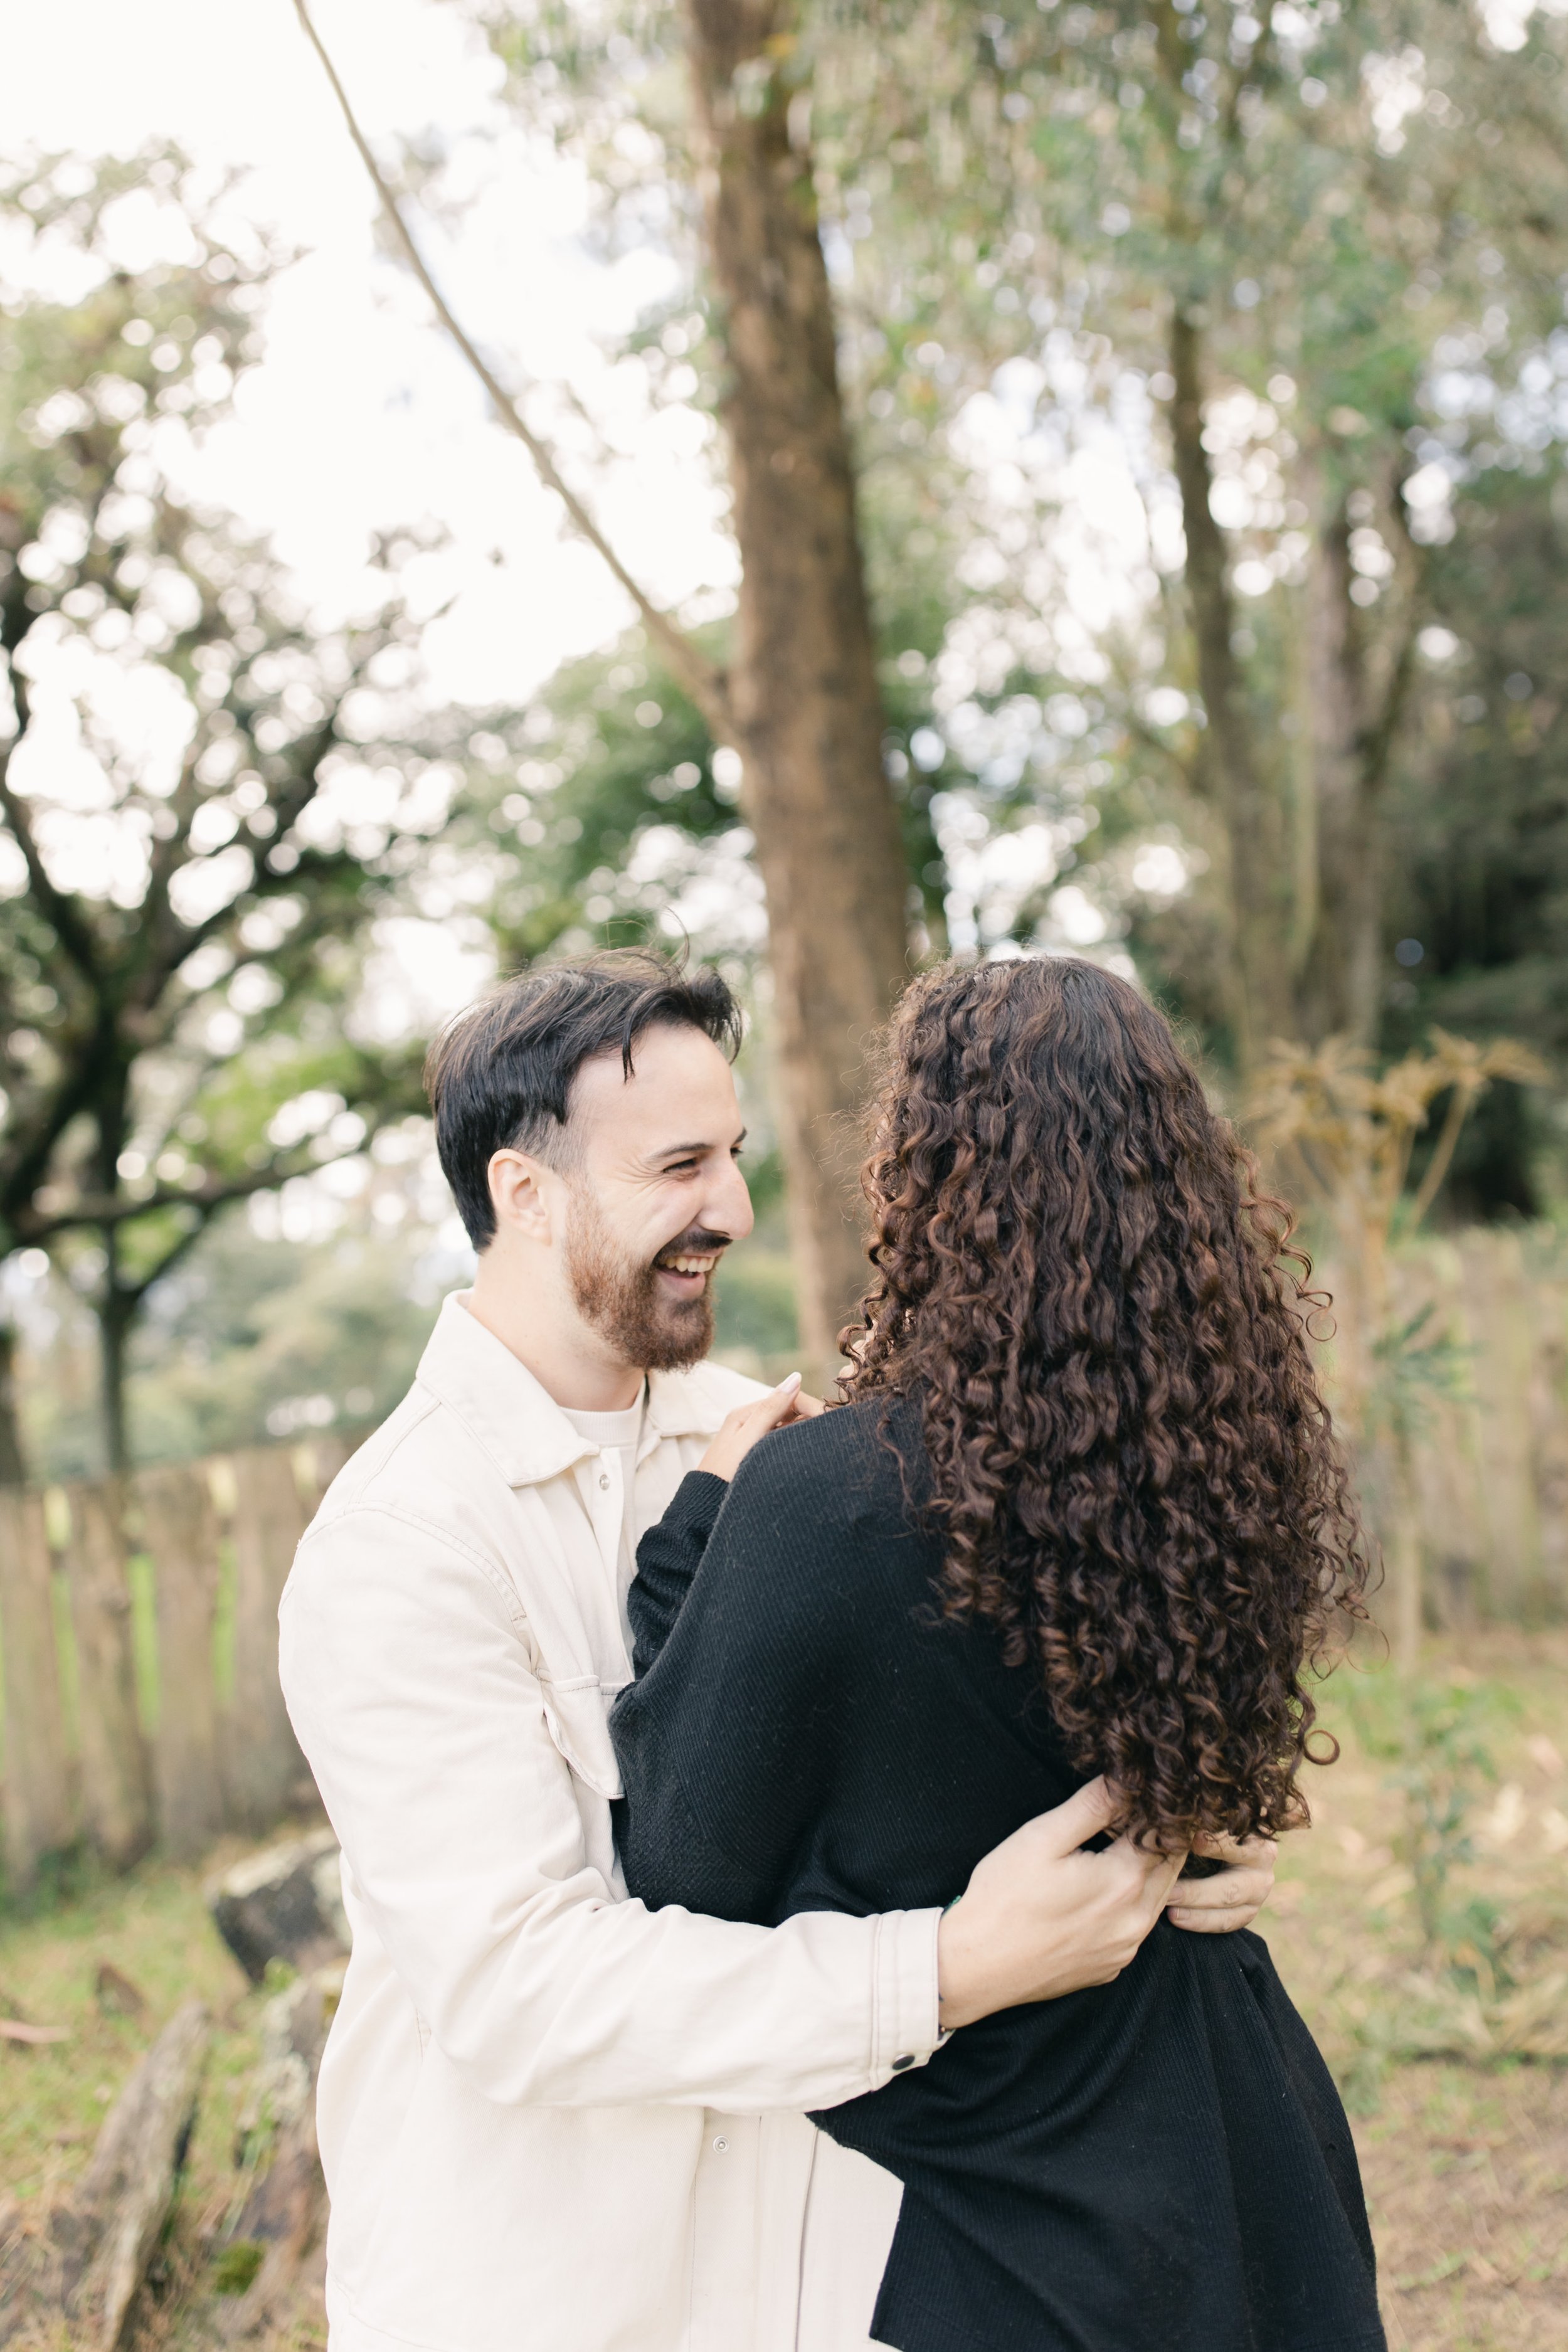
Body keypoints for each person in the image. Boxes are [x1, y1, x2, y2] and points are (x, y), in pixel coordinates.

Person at [278, 950, 1277, 2352]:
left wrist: (1182, 1829)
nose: (733, 1211)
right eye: (678, 1166)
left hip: (818, 2276)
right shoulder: (401, 1545)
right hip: (554, 2291)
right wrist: (944, 1968)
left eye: (734, 1156)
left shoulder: (789, 1450)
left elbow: (995, 1728)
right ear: (523, 1192)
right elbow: (519, 1988)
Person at [612, 954, 1384, 2352]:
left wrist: (694, 1541)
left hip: (1011, 2215)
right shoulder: (1219, 1457)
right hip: (1243, 2140)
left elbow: (677, 1861)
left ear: (925, 1179)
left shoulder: (827, 1498)